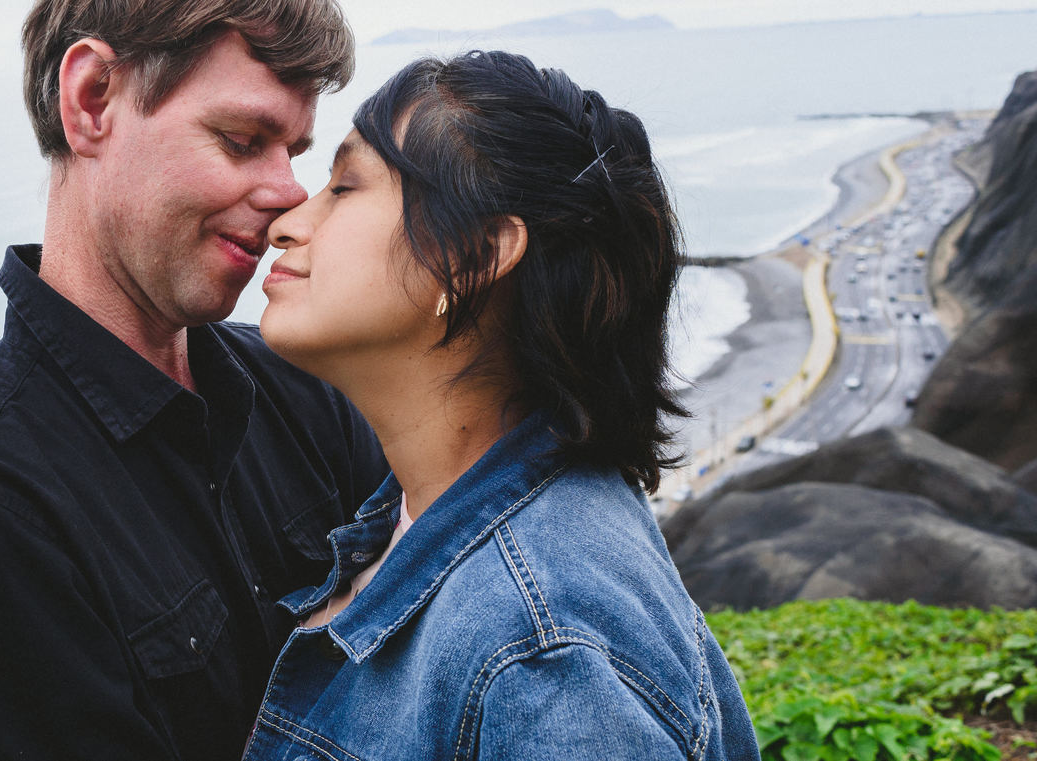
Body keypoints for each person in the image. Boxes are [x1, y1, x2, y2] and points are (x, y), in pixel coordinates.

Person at [0, 0, 387, 759]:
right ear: (91, 101)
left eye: (293, 149)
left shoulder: (306, 388)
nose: (290, 192)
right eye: (243, 140)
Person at [246, 50, 761, 759]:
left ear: (474, 256)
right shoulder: (427, 516)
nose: (286, 221)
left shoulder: (540, 652)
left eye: (344, 186)